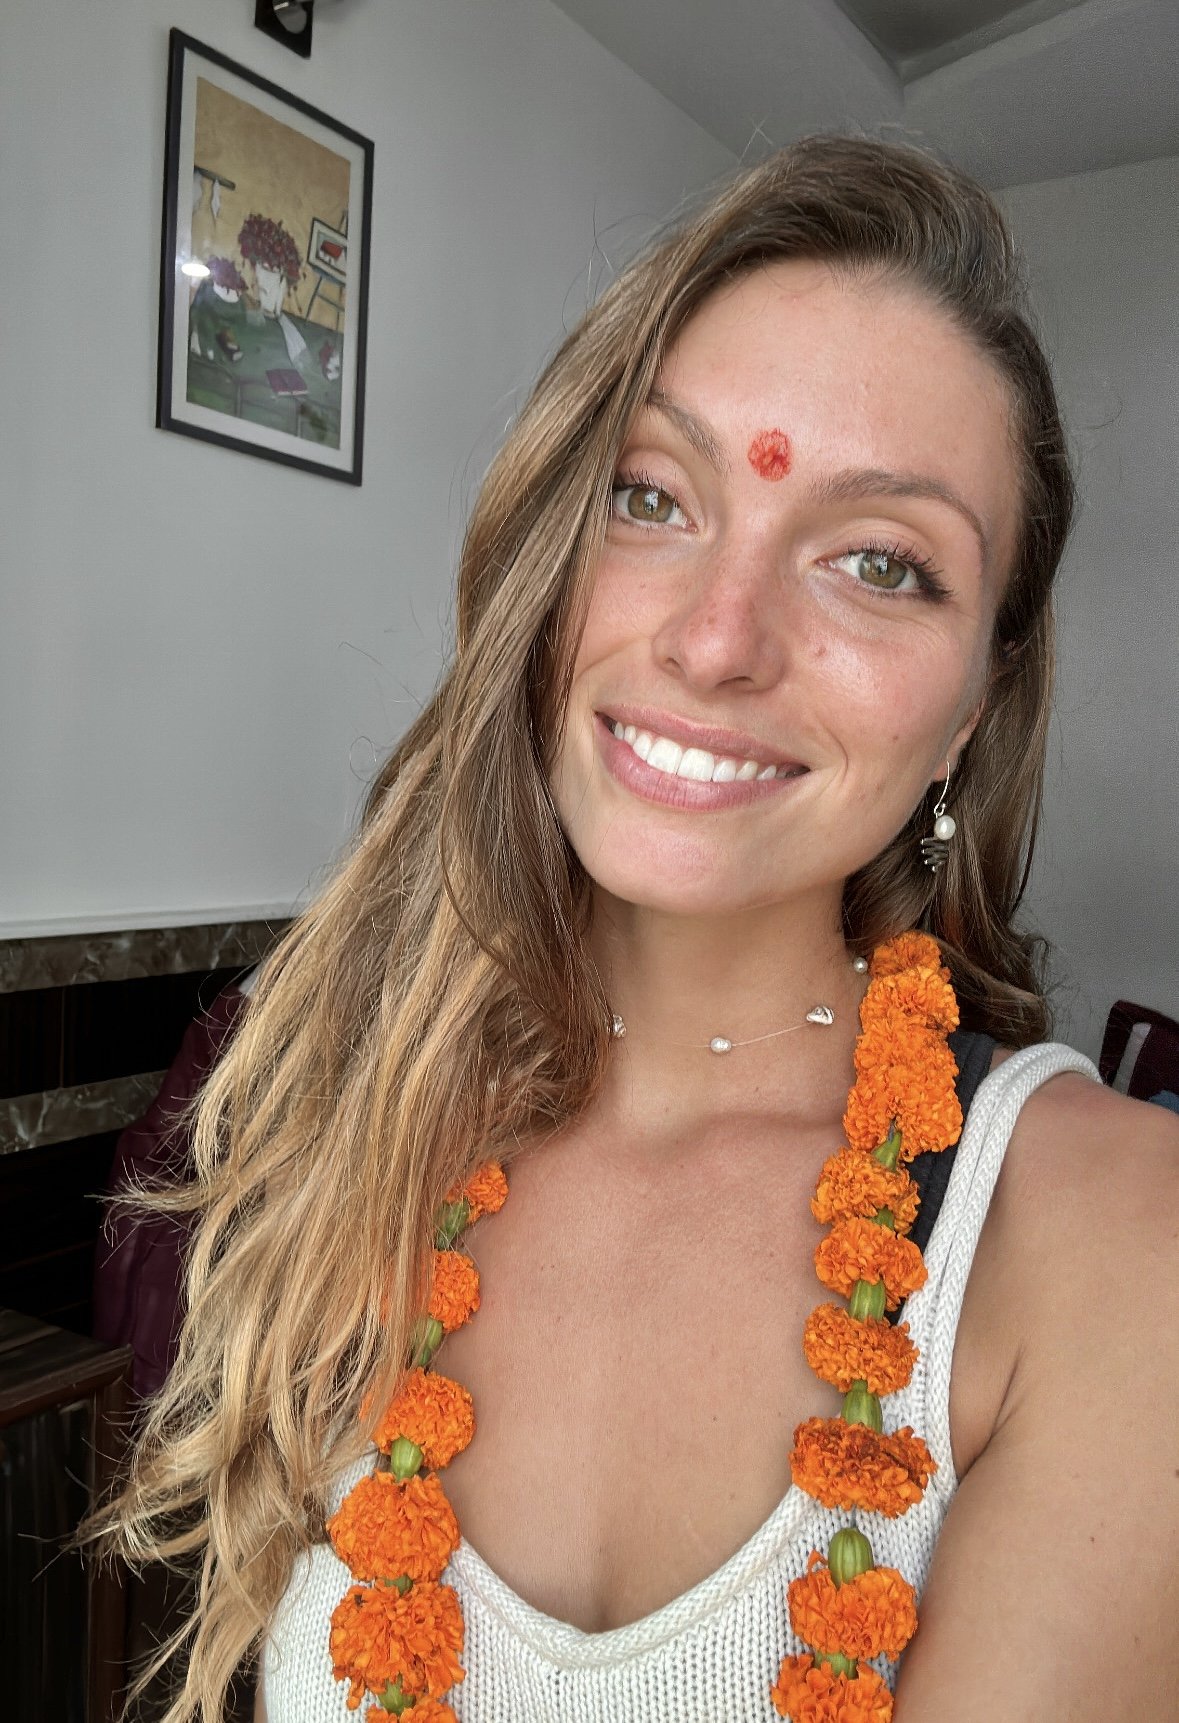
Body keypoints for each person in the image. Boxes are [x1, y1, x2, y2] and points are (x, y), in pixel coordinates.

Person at [91, 136, 1179, 1723]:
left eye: (882, 563)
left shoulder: (1109, 1244)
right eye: (651, 496)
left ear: (973, 713)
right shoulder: (350, 1108)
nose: (719, 639)